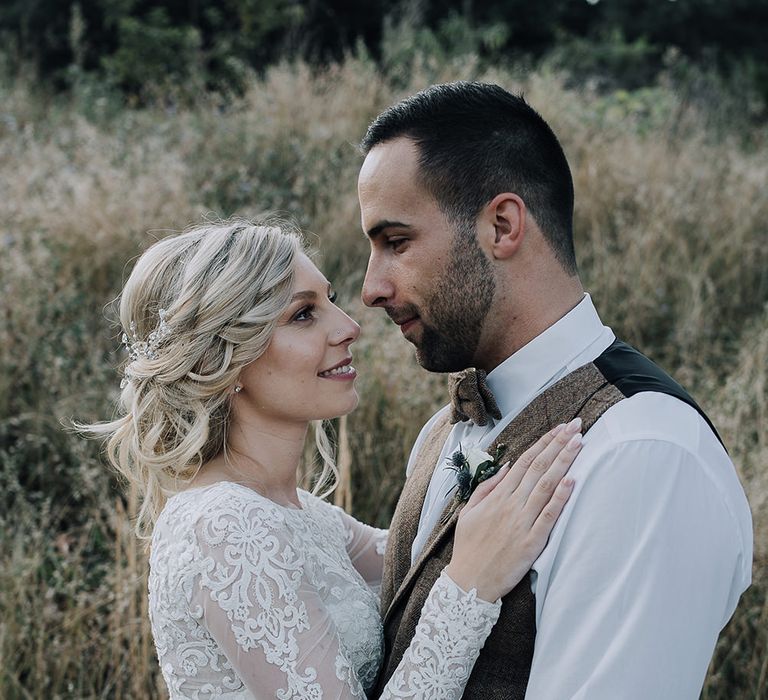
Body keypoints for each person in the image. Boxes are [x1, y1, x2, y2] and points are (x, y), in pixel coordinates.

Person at [357, 81, 754, 699]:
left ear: (503, 224)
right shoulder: (442, 434)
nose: (371, 288)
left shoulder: (642, 455)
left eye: (396, 243)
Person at [82, 218, 585, 699]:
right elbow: (460, 566)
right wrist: (469, 586)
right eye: (303, 314)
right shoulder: (225, 525)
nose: (348, 327)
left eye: (332, 302)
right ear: (223, 360)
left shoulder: (299, 512)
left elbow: (417, 557)